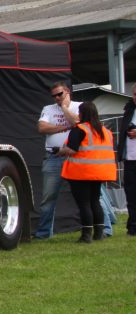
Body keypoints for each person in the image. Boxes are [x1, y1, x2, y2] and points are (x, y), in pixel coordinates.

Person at [59, 102, 115, 243]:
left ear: (82, 113)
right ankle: (99, 233)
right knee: (95, 201)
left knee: (84, 203)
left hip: (81, 172)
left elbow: (72, 149)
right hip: (99, 172)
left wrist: (59, 151)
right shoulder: (105, 131)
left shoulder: (80, 129)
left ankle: (86, 236)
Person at [34, 81, 80, 239]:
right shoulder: (48, 109)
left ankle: (104, 227)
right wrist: (65, 127)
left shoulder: (80, 105)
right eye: (54, 96)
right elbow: (42, 128)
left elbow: (78, 122)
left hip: (75, 156)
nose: (56, 98)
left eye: (59, 94)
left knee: (92, 195)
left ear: (67, 92)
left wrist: (65, 108)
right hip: (53, 157)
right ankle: (44, 233)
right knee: (48, 198)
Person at [116, 83, 136, 236]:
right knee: (131, 194)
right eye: (134, 94)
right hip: (129, 159)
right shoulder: (128, 110)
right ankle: (133, 226)